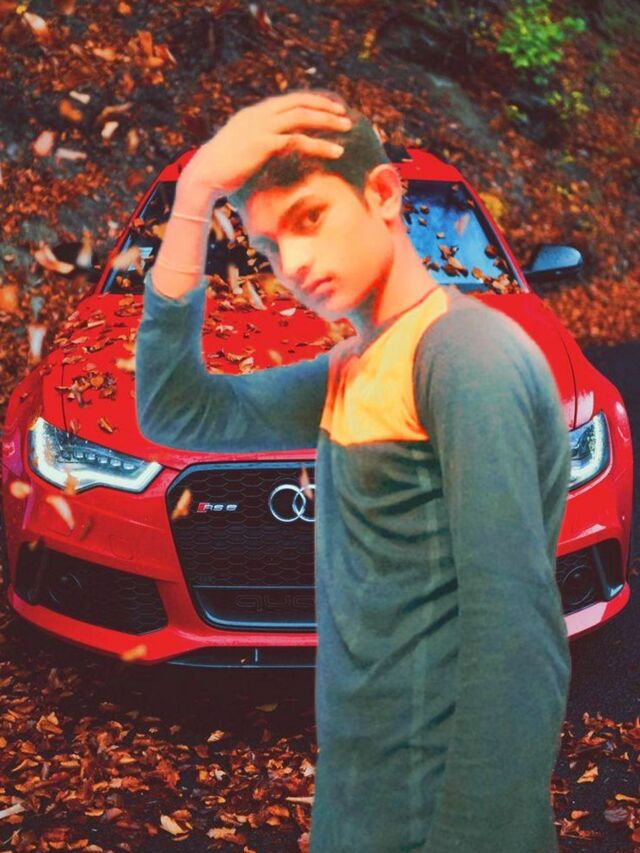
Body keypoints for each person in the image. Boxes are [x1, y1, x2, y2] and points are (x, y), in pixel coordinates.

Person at [135, 88, 572, 852]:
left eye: (310, 218)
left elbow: (518, 635)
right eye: (271, 246)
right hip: (360, 801)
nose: (294, 264)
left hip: (439, 816)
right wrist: (195, 193)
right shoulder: (356, 362)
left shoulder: (463, 355)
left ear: (382, 194)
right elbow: (178, 410)